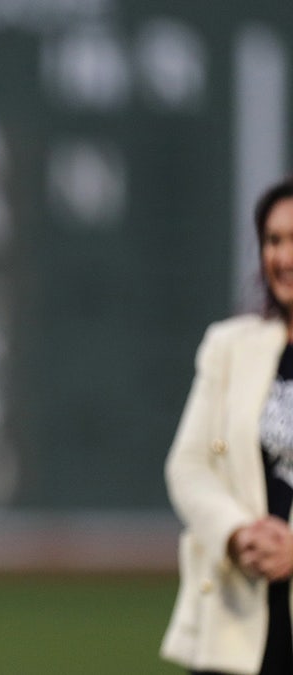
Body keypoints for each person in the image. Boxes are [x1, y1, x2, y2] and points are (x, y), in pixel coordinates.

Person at [162, 175, 293, 675]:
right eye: (273, 241)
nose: (282, 258)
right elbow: (188, 466)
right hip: (239, 621)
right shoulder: (230, 346)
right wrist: (238, 534)